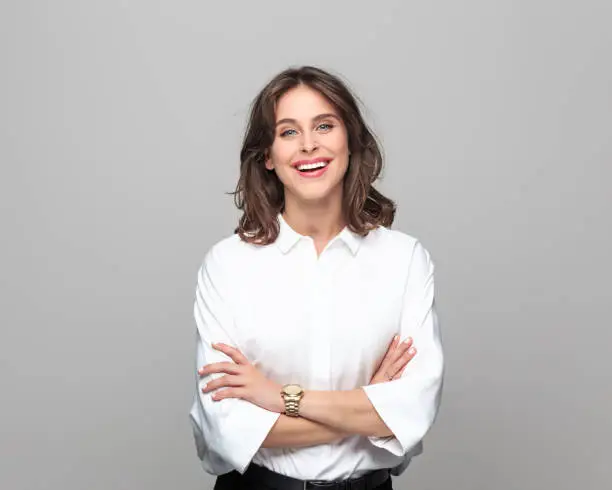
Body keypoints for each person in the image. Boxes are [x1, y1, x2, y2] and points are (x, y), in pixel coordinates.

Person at [189, 66, 444, 490]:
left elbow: (413, 414)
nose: (309, 145)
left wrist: (278, 398)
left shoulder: (405, 261)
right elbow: (227, 430)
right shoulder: (228, 266)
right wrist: (368, 407)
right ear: (267, 155)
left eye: (324, 126)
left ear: (350, 140)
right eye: (288, 132)